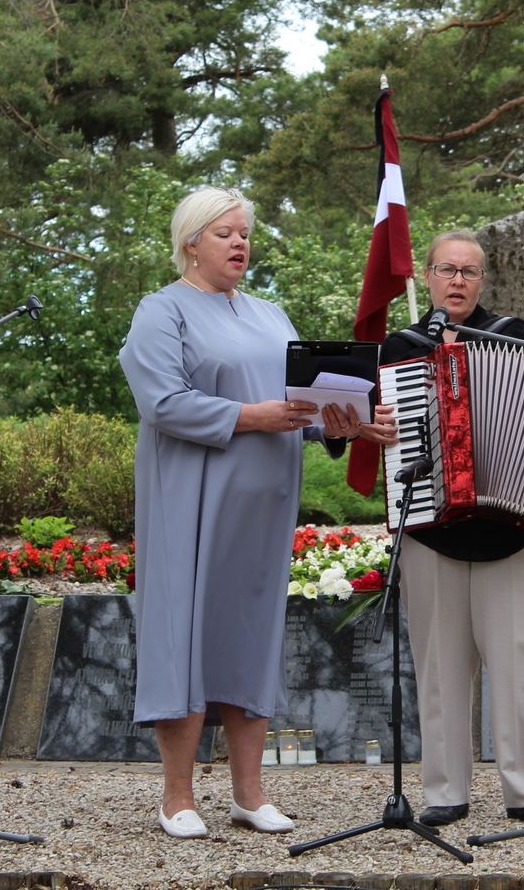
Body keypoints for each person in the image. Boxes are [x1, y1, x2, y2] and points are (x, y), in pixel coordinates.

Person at [119, 187, 363, 840]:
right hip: (193, 503)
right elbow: (162, 402)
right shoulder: (161, 311)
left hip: (263, 510)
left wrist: (344, 424)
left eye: (245, 233)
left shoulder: (271, 315)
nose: (239, 243)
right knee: (186, 636)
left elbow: (299, 409)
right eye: (224, 232)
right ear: (191, 240)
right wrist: (249, 417)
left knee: (249, 639)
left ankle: (249, 795)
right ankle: (177, 797)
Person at [355, 230, 524, 828]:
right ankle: (444, 792)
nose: (458, 280)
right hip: (432, 525)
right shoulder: (398, 349)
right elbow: (368, 426)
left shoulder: (517, 339)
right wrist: (377, 428)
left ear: (482, 281)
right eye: (447, 269)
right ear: (430, 277)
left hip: (514, 529)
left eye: (469, 271)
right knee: (439, 663)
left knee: (523, 662)